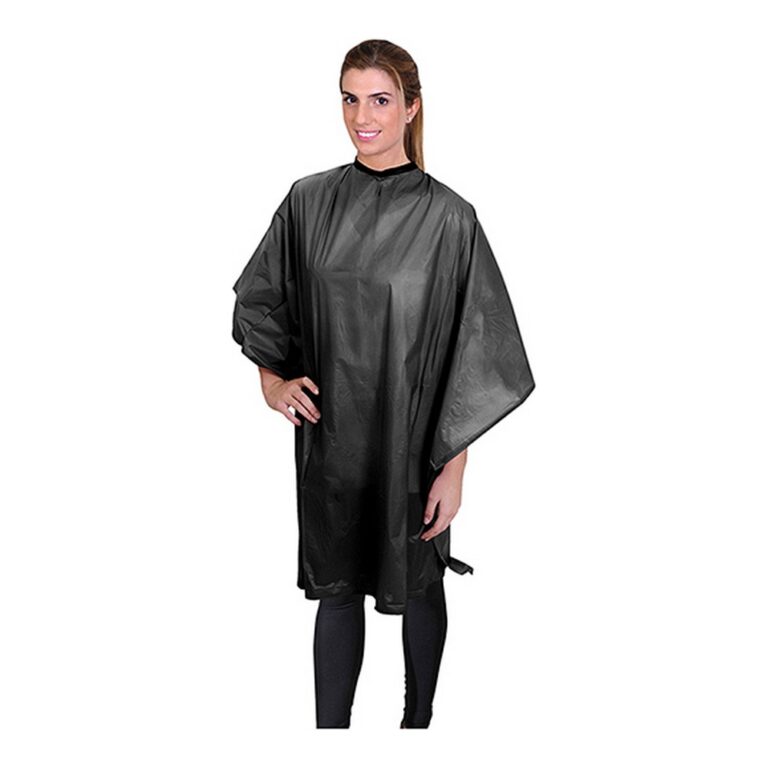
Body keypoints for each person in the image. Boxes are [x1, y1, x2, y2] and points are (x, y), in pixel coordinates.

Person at [231, 39, 535, 728]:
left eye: (379, 100)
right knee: (337, 589)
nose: (361, 117)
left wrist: (455, 468)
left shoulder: (450, 219)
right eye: (350, 98)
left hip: (413, 446)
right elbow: (262, 300)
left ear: (411, 107)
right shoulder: (308, 203)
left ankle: (416, 726)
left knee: (418, 581)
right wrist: (272, 384)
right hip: (333, 445)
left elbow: (473, 348)